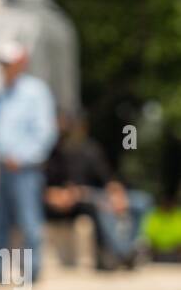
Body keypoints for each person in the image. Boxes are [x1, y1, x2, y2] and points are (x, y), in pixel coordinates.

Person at [0, 40, 57, 285]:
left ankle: (31, 273)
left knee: (29, 222)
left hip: (25, 169)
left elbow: (45, 132)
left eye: (7, 63)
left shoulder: (35, 91)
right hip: (2, 167)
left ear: (21, 63)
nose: (3, 67)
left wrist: (22, 157)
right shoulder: (0, 94)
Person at [45, 116, 150, 271]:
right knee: (101, 205)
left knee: (142, 201)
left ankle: (128, 248)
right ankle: (121, 253)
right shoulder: (53, 153)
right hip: (78, 200)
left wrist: (118, 195)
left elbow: (108, 178)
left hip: (95, 194)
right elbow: (47, 188)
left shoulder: (91, 150)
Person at [143, 191, 181, 262]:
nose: (167, 204)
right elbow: (148, 234)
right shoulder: (154, 215)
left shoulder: (179, 215)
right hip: (157, 251)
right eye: (165, 202)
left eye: (169, 202)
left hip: (177, 252)